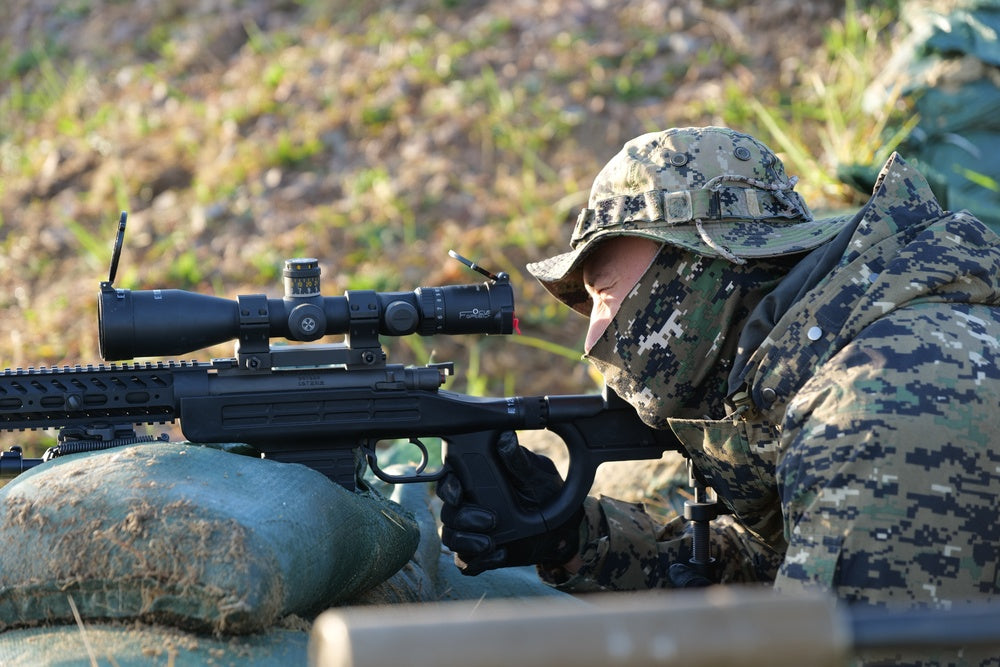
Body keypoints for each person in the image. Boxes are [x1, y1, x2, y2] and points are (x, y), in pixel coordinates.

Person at [438, 126, 1000, 610]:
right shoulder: (826, 371)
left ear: (703, 263)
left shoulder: (879, 404)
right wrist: (571, 539)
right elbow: (774, 567)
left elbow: (835, 643)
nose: (593, 339)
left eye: (605, 293)